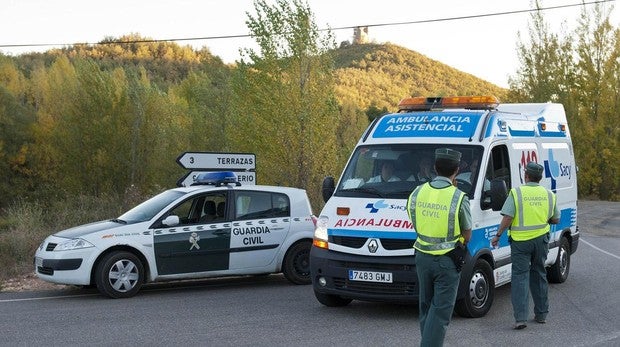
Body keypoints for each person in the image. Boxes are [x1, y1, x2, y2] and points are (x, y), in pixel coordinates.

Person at [407, 148, 472, 347]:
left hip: (422, 257)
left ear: (435, 168)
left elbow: (412, 217)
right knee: (441, 311)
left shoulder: (417, 192)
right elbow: (467, 233)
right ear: (457, 170)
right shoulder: (459, 197)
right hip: (447, 261)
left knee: (426, 307)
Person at [491, 161, 560, 330]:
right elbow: (556, 218)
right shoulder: (549, 194)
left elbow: (507, 217)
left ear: (526, 175)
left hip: (521, 243)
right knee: (539, 274)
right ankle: (541, 314)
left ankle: (521, 318)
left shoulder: (516, 193)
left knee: (520, 277)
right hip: (541, 241)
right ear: (540, 177)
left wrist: (498, 235)